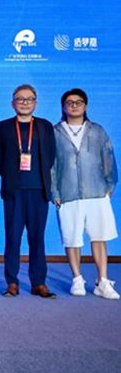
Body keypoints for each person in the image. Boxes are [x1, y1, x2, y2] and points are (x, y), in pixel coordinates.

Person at [51, 88, 119, 299]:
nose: (74, 105)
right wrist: (54, 191)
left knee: (99, 237)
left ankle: (102, 281)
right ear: (63, 107)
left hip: (96, 192)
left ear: (85, 106)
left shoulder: (97, 131)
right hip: (67, 193)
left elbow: (108, 157)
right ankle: (77, 279)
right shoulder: (55, 132)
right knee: (72, 238)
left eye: (78, 102)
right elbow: (51, 165)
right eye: (69, 102)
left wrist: (110, 186)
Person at [0, 84, 57, 298]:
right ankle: (12, 282)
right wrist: (9, 175)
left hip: (38, 190)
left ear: (35, 103)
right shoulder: (3, 127)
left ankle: (38, 282)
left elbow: (51, 155)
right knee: (12, 238)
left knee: (37, 238)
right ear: (12, 103)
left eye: (29, 99)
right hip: (14, 191)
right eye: (20, 99)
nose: (24, 103)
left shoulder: (45, 126)